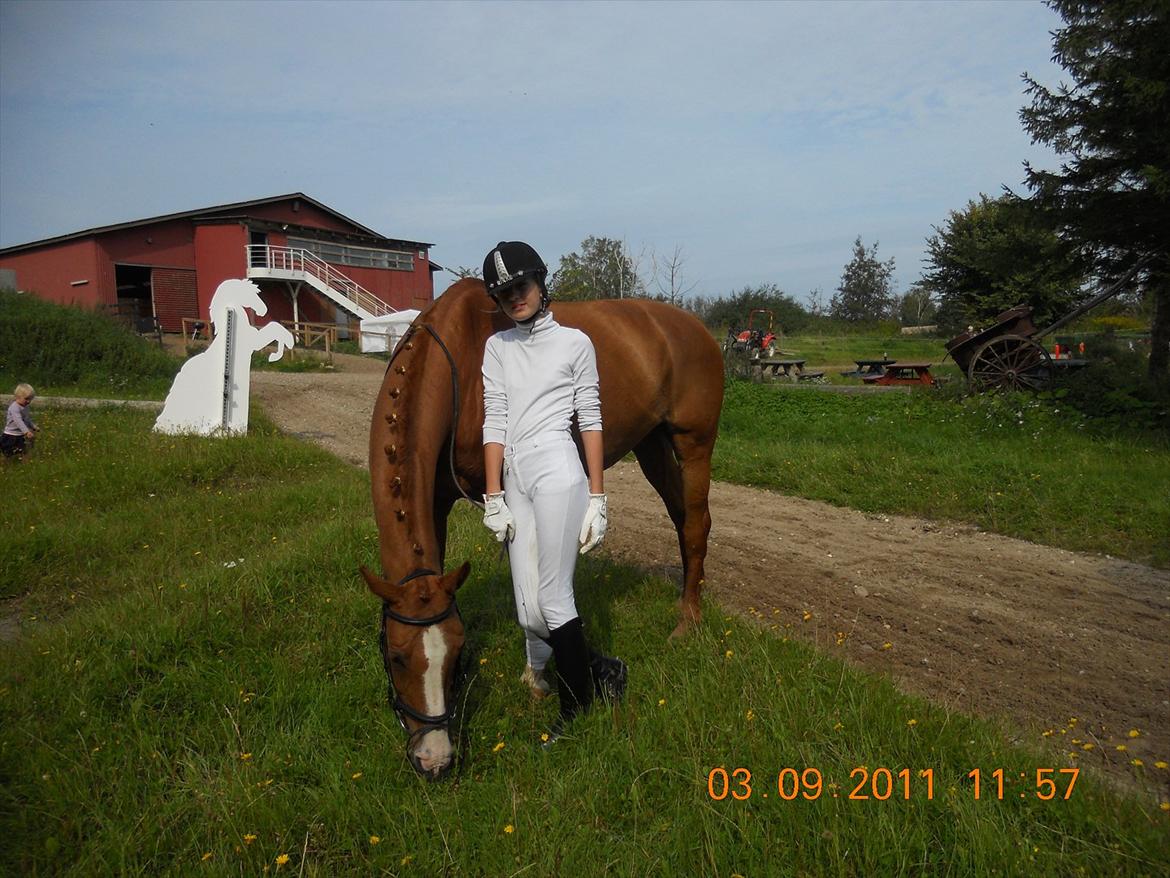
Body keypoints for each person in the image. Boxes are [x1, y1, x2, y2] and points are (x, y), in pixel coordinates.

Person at [479, 240, 627, 744]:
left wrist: (599, 498)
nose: (514, 298)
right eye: (503, 294)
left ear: (541, 284)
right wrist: (493, 495)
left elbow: (590, 417)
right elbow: (494, 421)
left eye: (520, 286)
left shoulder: (575, 343)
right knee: (527, 609)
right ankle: (600, 670)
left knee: (555, 597)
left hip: (559, 472)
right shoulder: (497, 348)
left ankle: (575, 708)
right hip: (516, 474)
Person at [3, 383, 40, 459]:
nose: (28, 401)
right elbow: (18, 421)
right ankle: (7, 465)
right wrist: (26, 431)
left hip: (20, 435)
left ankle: (26, 467)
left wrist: (33, 426)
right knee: (8, 454)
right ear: (17, 397)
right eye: (26, 399)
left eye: (30, 399)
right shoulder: (14, 408)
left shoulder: (25, 407)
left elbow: (27, 419)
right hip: (11, 435)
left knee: (24, 452)